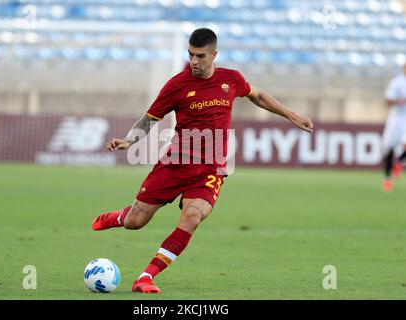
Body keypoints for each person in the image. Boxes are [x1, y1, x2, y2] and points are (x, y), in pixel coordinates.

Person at [91, 28, 314, 293]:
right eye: (190, 55)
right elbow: (150, 118)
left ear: (214, 55)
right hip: (176, 162)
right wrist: (130, 140)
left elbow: (258, 95)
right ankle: (120, 217)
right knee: (136, 222)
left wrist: (291, 115)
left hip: (210, 169)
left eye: (200, 56)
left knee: (193, 216)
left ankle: (145, 277)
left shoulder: (231, 80)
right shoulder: (177, 85)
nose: (194, 61)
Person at [381, 62, 406, 192]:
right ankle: (387, 179)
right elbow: (387, 101)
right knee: (389, 147)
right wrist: (400, 100)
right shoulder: (397, 82)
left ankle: (399, 162)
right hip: (396, 119)